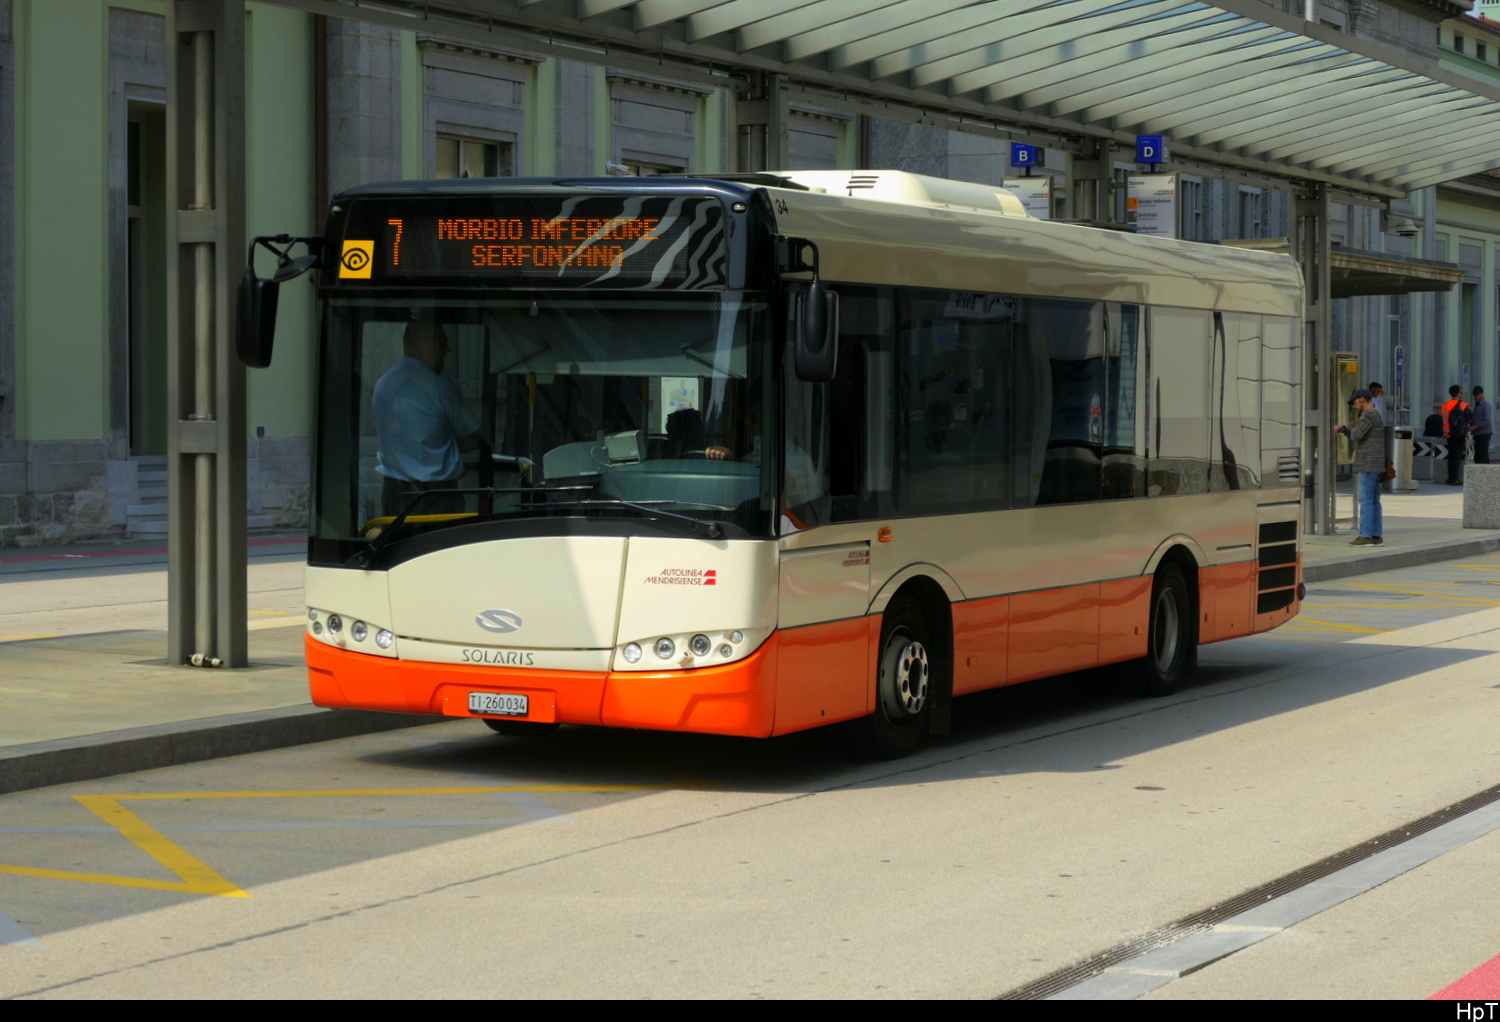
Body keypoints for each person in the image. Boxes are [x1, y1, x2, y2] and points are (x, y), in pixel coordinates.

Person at [372, 319, 483, 516]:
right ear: (420, 343)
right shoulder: (439, 388)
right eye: (441, 341)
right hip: (437, 497)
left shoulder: (383, 384)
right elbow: (475, 438)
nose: (447, 349)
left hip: (394, 494)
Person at [1335, 388, 1384, 547]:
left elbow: (1357, 436)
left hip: (1367, 462)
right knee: (1375, 500)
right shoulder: (1376, 413)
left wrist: (1347, 430)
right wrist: (1345, 430)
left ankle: (1365, 536)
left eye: (1354, 402)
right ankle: (1376, 535)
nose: (1353, 406)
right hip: (1377, 463)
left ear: (1362, 399)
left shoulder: (1368, 414)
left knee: (1366, 500)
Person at [1442, 384, 1472, 485]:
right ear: (1458, 394)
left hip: (1448, 435)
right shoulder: (1463, 405)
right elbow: (1469, 418)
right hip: (1459, 434)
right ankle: (1455, 478)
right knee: (1457, 457)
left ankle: (1450, 477)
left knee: (1451, 456)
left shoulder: (1444, 405)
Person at [1473, 386, 1493, 465]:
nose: (1475, 397)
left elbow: (1487, 421)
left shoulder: (1486, 405)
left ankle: (1486, 472)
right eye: (1474, 395)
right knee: (1478, 455)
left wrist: (1475, 426)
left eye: (1477, 395)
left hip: (1484, 433)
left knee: (1483, 455)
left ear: (1482, 394)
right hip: (1477, 433)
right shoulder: (1477, 405)